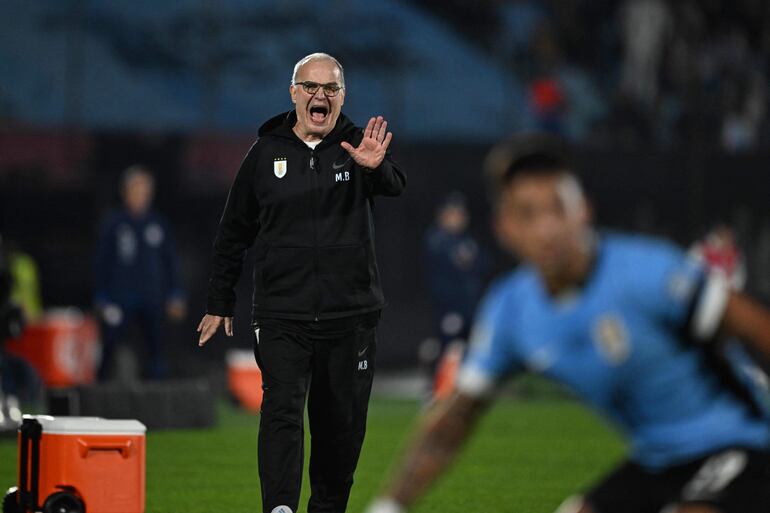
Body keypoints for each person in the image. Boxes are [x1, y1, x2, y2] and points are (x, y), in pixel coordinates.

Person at [365, 134, 770, 513]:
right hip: (658, 460)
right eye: (527, 213)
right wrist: (388, 506)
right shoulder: (512, 310)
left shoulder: (648, 271)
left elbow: (756, 327)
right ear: (504, 229)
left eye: (558, 206)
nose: (547, 227)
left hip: (744, 442)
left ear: (584, 210)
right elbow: (453, 423)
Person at [197, 53, 406, 513]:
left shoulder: (356, 145)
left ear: (342, 95)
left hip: (350, 317)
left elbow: (394, 185)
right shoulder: (264, 153)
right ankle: (280, 508)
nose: (320, 96)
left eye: (330, 88)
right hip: (282, 315)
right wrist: (220, 299)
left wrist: (374, 167)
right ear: (293, 93)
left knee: (341, 427)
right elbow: (234, 231)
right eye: (311, 87)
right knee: (282, 414)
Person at [94, 165, 186, 381]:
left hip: (152, 296)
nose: (140, 196)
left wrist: (176, 294)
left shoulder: (158, 224)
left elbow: (170, 262)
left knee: (157, 349)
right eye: (136, 190)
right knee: (110, 346)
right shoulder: (114, 224)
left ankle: (156, 396)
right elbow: (101, 263)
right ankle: (100, 391)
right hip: (120, 297)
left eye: (144, 190)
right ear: (125, 192)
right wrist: (101, 297)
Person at [422, 193, 485, 395]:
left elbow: (483, 265)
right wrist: (448, 308)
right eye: (452, 213)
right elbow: (438, 279)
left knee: (465, 350)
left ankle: (457, 392)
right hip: (448, 308)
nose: (457, 218)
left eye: (459, 213)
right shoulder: (437, 240)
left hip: (468, 306)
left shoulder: (467, 241)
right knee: (447, 348)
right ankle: (435, 391)